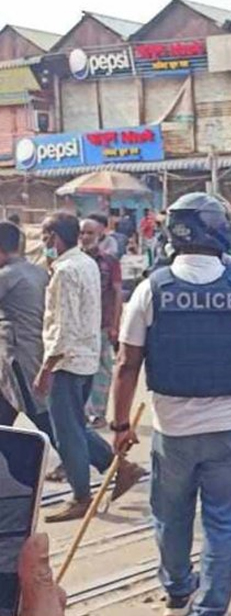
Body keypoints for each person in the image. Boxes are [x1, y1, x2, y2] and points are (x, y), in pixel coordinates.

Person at [109, 193, 231, 616]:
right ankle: (210, 607)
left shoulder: (151, 289)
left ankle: (176, 587)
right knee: (223, 525)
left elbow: (126, 363)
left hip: (172, 432)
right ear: (218, 230)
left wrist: (120, 425)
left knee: (171, 517)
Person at [37, 212, 142, 523]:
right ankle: (119, 467)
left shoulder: (67, 270)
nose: (43, 242)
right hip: (84, 357)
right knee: (75, 426)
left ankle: (81, 495)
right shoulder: (84, 263)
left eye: (45, 236)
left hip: (66, 361)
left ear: (55, 237)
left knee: (66, 432)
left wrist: (46, 367)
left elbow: (64, 325)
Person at [0, 222, 53, 439]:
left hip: (19, 360)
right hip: (33, 352)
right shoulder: (39, 272)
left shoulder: (6, 276)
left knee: (46, 420)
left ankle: (107, 460)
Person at [79, 216, 122, 427]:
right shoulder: (74, 261)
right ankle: (83, 411)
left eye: (90, 233)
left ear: (100, 235)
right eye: (82, 233)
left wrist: (116, 325)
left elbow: (117, 294)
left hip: (103, 324)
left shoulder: (110, 262)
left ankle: (98, 413)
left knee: (102, 369)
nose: (86, 237)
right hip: (79, 326)